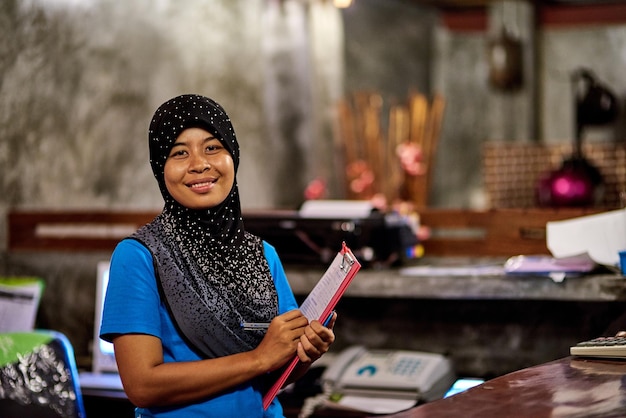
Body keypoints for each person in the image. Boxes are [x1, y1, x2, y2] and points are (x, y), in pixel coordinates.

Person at [100, 94, 336, 417]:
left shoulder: (263, 256)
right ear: (160, 168)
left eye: (213, 147)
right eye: (179, 152)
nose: (199, 164)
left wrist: (305, 354)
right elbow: (141, 384)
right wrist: (259, 358)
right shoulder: (140, 256)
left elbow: (273, 374)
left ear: (232, 156)